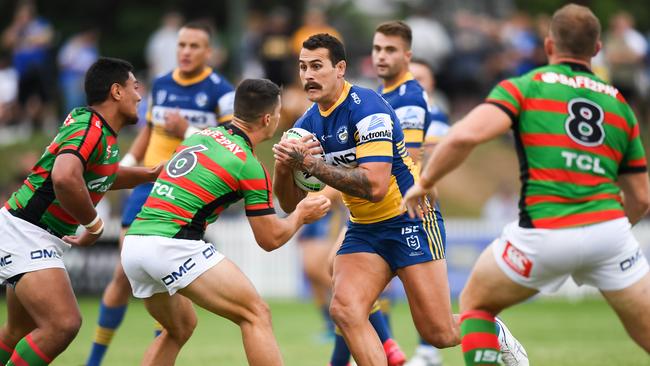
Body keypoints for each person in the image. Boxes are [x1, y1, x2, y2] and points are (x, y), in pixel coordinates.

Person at [403, 4, 650, 365]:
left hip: (543, 232)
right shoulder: (619, 105)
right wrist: (605, 232)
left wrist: (424, 181)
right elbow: (641, 198)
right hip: (610, 234)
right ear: (597, 50)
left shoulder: (527, 87)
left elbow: (463, 137)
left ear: (549, 45)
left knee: (476, 305)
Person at [272, 33, 455, 366]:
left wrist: (311, 163)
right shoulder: (306, 125)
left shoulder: (368, 107)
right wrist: (284, 167)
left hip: (409, 219)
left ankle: (492, 331)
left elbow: (375, 186)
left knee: (441, 334)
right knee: (345, 309)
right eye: (302, 67)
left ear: (340, 68)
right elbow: (289, 203)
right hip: (364, 229)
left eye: (317, 66)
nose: (308, 75)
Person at [121, 78, 331, 366]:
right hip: (171, 246)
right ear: (268, 118)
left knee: (179, 327)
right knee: (256, 314)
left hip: (134, 243)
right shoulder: (247, 164)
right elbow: (269, 239)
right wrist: (301, 215)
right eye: (278, 115)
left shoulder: (199, 137)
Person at [85, 21, 235, 366]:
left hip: (186, 192)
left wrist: (189, 131)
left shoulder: (221, 91)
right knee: (123, 273)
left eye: (194, 46)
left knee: (165, 279)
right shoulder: (163, 83)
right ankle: (93, 360)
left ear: (208, 52)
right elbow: (147, 133)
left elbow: (230, 144)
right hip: (146, 186)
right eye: (181, 44)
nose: (185, 51)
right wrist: (120, 170)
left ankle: (158, 353)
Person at [0, 57, 162, 365]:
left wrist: (151, 173)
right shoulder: (91, 127)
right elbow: (64, 176)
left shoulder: (98, 130)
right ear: (117, 91)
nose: (140, 96)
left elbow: (103, 174)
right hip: (27, 231)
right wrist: (95, 224)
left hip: (27, 229)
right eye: (135, 88)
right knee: (63, 324)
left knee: (18, 330)